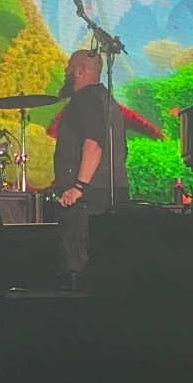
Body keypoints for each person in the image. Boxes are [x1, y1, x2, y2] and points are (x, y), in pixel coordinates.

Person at [53, 49, 129, 290]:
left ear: (79, 71)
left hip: (87, 200)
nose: (65, 72)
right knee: (106, 269)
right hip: (111, 194)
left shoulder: (85, 99)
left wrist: (78, 187)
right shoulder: (108, 100)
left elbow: (94, 144)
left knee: (79, 267)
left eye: (68, 67)